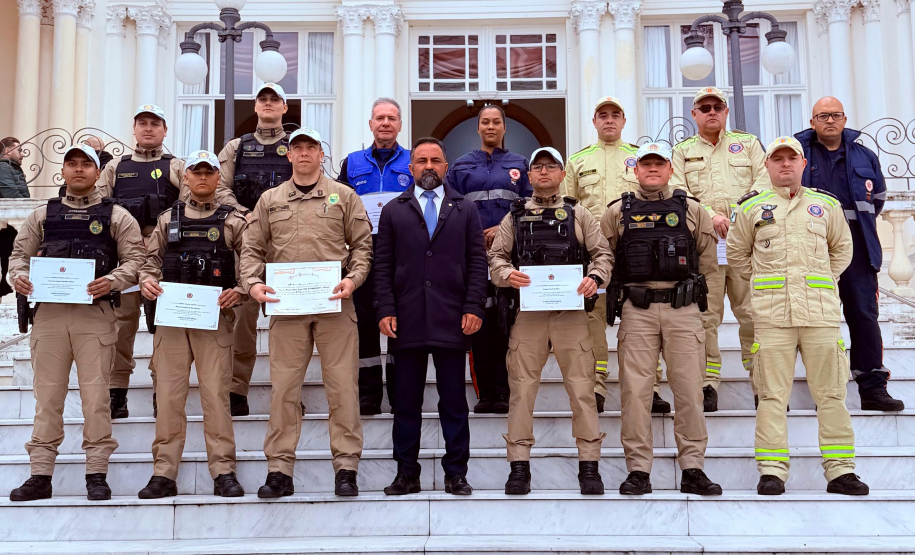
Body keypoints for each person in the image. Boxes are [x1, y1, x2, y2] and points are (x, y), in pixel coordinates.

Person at [727, 136, 869, 496]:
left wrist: (818, 282)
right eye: (778, 159)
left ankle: (841, 471)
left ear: (803, 164)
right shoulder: (750, 209)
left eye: (792, 158)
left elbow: (842, 251)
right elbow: (739, 256)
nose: (785, 164)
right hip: (773, 316)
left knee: (832, 395)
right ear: (767, 166)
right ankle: (772, 471)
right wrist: (766, 283)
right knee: (772, 396)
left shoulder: (826, 205)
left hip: (820, 314)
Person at [7, 144, 145, 501]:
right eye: (73, 164)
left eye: (87, 164)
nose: (80, 170)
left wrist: (113, 281)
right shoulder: (42, 215)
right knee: (47, 398)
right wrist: (18, 277)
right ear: (64, 171)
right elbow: (18, 256)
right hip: (49, 317)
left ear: (98, 172)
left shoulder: (117, 216)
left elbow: (135, 260)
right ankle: (40, 475)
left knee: (96, 397)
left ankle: (96, 473)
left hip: (94, 317)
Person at [240, 127, 371, 498]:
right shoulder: (270, 200)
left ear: (320, 154)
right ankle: (280, 470)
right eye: (296, 148)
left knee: (342, 387)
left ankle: (346, 467)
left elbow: (363, 246)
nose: (303, 154)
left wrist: (354, 280)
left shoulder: (343, 196)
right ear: (288, 154)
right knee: (283, 390)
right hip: (288, 308)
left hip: (335, 304)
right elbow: (251, 248)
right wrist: (252, 283)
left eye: (310, 147)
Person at [489, 146, 611, 495]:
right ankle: (519, 467)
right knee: (522, 391)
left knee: (582, 390)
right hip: (528, 315)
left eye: (551, 166)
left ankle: (589, 467)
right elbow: (495, 257)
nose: (544, 172)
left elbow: (602, 253)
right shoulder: (513, 217)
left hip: (571, 315)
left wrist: (595, 278)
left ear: (562, 174)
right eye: (537, 167)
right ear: (528, 176)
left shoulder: (579, 214)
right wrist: (506, 274)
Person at [604, 142, 722, 496]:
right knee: (636, 393)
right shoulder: (616, 212)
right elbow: (605, 259)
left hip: (682, 310)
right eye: (645, 164)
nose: (652, 169)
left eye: (659, 164)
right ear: (635, 170)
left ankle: (693, 468)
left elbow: (709, 264)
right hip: (637, 311)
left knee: (689, 392)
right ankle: (639, 470)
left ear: (670, 169)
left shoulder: (693, 209)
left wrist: (702, 310)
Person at [374, 137, 487, 496]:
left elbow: (477, 262)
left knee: (453, 401)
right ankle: (406, 473)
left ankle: (456, 472)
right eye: (421, 160)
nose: (428, 166)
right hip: (406, 319)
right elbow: (383, 265)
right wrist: (385, 309)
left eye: (435, 160)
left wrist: (473, 306)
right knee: (405, 402)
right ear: (410, 169)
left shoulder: (465, 208)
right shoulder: (394, 209)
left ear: (445, 166)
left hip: (452, 317)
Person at [136, 150, 246, 499]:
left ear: (218, 178)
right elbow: (150, 262)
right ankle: (164, 473)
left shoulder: (234, 221)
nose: (201, 177)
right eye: (196, 172)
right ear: (186, 178)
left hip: (214, 319)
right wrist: (147, 281)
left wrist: (241, 290)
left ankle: (224, 471)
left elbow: (251, 264)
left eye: (209, 172)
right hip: (172, 321)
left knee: (216, 396)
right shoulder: (169, 220)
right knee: (169, 397)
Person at [560, 98, 670, 415]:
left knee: (645, 316)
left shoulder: (640, 158)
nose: (609, 121)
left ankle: (650, 389)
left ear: (624, 121)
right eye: (603, 116)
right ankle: (596, 385)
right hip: (594, 251)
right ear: (594, 122)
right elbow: (568, 211)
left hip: (636, 248)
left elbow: (657, 196)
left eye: (615, 116)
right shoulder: (579, 161)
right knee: (592, 320)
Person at [795, 97, 904, 412]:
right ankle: (824, 390)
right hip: (811, 248)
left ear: (844, 119)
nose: (830, 120)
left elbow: (877, 199)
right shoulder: (797, 153)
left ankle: (872, 390)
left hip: (858, 250)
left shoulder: (864, 155)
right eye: (823, 116)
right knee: (816, 320)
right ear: (813, 121)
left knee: (864, 316)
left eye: (836, 115)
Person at [671, 87, 769, 413]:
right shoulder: (682, 151)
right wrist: (710, 215)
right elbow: (679, 192)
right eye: (704, 107)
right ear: (694, 114)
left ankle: (762, 384)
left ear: (726, 112)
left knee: (752, 315)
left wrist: (737, 215)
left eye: (717, 107)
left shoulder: (750, 144)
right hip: (704, 246)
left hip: (744, 244)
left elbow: (764, 183)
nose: (711, 112)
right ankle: (708, 384)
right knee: (705, 318)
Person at [96, 104, 187, 419]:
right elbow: (99, 209)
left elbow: (189, 209)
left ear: (164, 130)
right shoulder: (116, 168)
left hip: (164, 257)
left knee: (165, 328)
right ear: (134, 129)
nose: (148, 129)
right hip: (123, 258)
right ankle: (116, 394)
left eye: (155, 124)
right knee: (120, 328)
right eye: (142, 123)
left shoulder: (176, 166)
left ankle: (162, 393)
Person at [446, 104, 532, 414]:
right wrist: (474, 232)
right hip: (474, 258)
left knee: (508, 326)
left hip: (511, 258)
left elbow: (529, 208)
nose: (491, 127)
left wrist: (503, 228)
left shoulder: (520, 165)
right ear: (478, 128)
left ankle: (507, 392)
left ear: (504, 128)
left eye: (496, 122)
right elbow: (451, 209)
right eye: (485, 122)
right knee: (478, 325)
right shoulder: (460, 168)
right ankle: (486, 394)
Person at [215, 83, 293, 417]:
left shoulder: (298, 145)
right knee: (243, 323)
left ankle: (288, 394)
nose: (269, 103)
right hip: (247, 241)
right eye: (263, 99)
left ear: (284, 108)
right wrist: (245, 214)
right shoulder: (237, 147)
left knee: (290, 323)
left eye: (275, 99)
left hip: (288, 241)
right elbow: (219, 188)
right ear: (256, 106)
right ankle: (236, 390)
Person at [338, 97, 413, 415]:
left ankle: (400, 393)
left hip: (403, 254)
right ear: (370, 124)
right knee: (365, 322)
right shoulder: (352, 162)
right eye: (379, 118)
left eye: (391, 118)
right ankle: (368, 394)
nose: (385, 123)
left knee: (403, 321)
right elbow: (336, 205)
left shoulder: (414, 160)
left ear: (399, 124)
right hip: (363, 252)